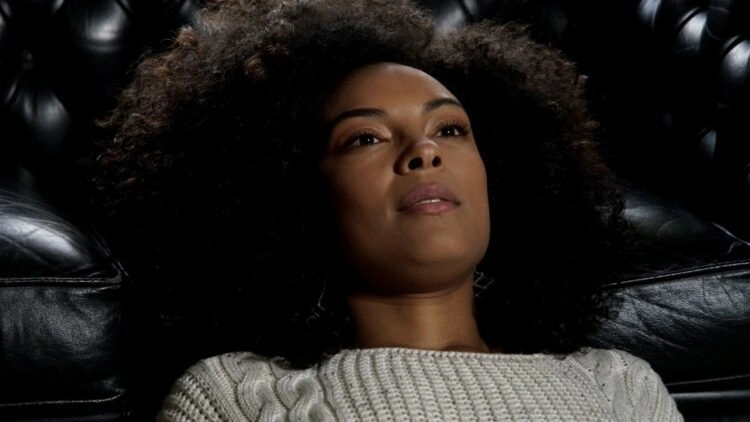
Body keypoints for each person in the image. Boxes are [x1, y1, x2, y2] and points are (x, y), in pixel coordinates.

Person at [92, 0, 683, 420]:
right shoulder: (231, 397)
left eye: (450, 129)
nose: (425, 151)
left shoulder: (622, 386)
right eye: (365, 138)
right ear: (292, 198)